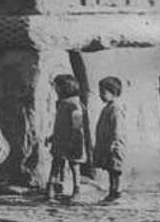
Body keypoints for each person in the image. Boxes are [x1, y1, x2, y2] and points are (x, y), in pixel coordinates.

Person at [46, 73, 87, 203]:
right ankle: (51, 188)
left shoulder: (74, 105)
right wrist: (53, 136)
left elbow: (77, 125)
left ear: (65, 88)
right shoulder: (62, 104)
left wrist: (74, 140)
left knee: (74, 165)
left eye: (57, 87)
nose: (55, 89)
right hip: (60, 140)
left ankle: (76, 190)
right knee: (56, 163)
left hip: (72, 141)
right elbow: (60, 125)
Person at [93, 76, 125, 203]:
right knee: (110, 169)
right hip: (107, 143)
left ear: (113, 92)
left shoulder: (115, 109)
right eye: (100, 92)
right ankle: (112, 191)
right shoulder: (107, 107)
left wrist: (113, 143)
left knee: (115, 169)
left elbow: (117, 128)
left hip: (114, 144)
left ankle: (116, 192)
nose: (100, 95)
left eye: (103, 92)